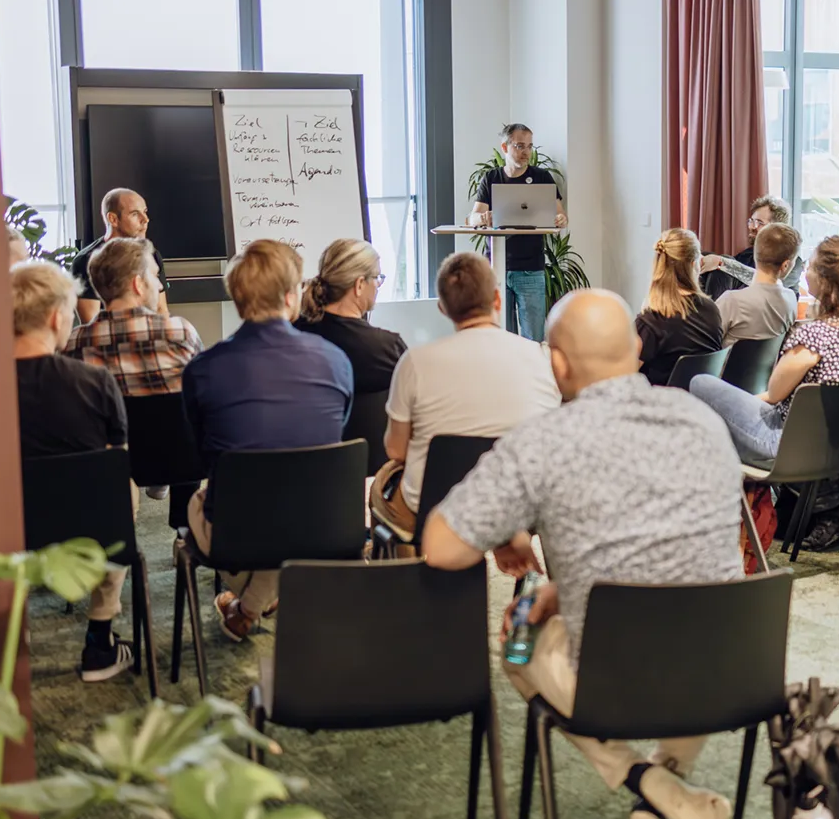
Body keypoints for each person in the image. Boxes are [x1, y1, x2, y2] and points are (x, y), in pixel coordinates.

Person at [422, 288, 744, 819]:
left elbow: (440, 547)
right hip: (729, 667)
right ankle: (653, 810)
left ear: (558, 363)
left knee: (518, 640)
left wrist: (505, 533)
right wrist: (561, 590)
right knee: (688, 621)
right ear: (638, 348)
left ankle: (640, 778)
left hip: (615, 680)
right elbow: (665, 545)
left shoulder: (542, 444)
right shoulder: (704, 420)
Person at [181, 240, 353, 639]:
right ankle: (253, 604)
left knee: (205, 499)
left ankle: (250, 603)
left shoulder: (202, 370)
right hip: (323, 523)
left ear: (237, 300)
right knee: (288, 490)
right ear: (292, 297)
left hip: (238, 530)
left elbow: (204, 453)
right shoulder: (334, 360)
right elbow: (332, 435)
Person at [369, 251, 560, 538]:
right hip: (521, 509)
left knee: (379, 485)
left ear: (443, 309)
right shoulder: (541, 356)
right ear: (497, 299)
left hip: (436, 509)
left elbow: (396, 450)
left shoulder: (415, 363)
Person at [10, 260, 133, 683]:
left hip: (9, 535)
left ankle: (11, 644)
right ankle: (99, 638)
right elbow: (116, 453)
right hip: (91, 535)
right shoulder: (95, 382)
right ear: (55, 317)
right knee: (121, 480)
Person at [690, 234, 839, 464]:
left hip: (788, 445)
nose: (805, 273)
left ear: (824, 278)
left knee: (700, 383)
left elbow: (775, 393)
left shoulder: (815, 337)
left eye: (809, 266)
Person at [67, 237, 203, 396]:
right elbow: (205, 396)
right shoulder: (180, 334)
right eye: (154, 275)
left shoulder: (73, 343)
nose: (159, 285)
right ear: (138, 284)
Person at [469, 123, 566, 342]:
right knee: (501, 337)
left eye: (529, 147)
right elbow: (473, 217)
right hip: (497, 268)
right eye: (520, 146)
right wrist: (482, 219)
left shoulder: (542, 178)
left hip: (530, 269)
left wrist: (560, 219)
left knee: (534, 338)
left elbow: (560, 215)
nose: (526, 152)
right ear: (505, 147)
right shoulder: (491, 178)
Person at [294, 238, 406, 399]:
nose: (378, 285)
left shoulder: (296, 332)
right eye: (377, 278)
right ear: (359, 284)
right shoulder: (388, 349)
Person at [635, 228, 724, 386]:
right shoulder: (712, 310)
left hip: (659, 407)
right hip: (702, 404)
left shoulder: (652, 321)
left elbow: (623, 373)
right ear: (692, 265)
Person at [71, 188, 168, 324]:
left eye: (145, 212)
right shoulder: (85, 261)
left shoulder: (150, 254)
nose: (145, 220)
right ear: (113, 219)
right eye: (135, 214)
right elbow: (90, 322)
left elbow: (161, 309)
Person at [716, 223, 800, 349]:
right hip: (771, 369)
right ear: (785, 265)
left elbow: (706, 345)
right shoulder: (791, 299)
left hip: (727, 368)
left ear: (756, 253)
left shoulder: (731, 301)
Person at [701, 196, 805, 296]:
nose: (752, 227)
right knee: (703, 256)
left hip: (764, 311)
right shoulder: (748, 254)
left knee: (723, 263)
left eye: (759, 223)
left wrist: (723, 263)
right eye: (751, 221)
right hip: (736, 307)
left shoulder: (793, 262)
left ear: (775, 228)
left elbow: (770, 284)